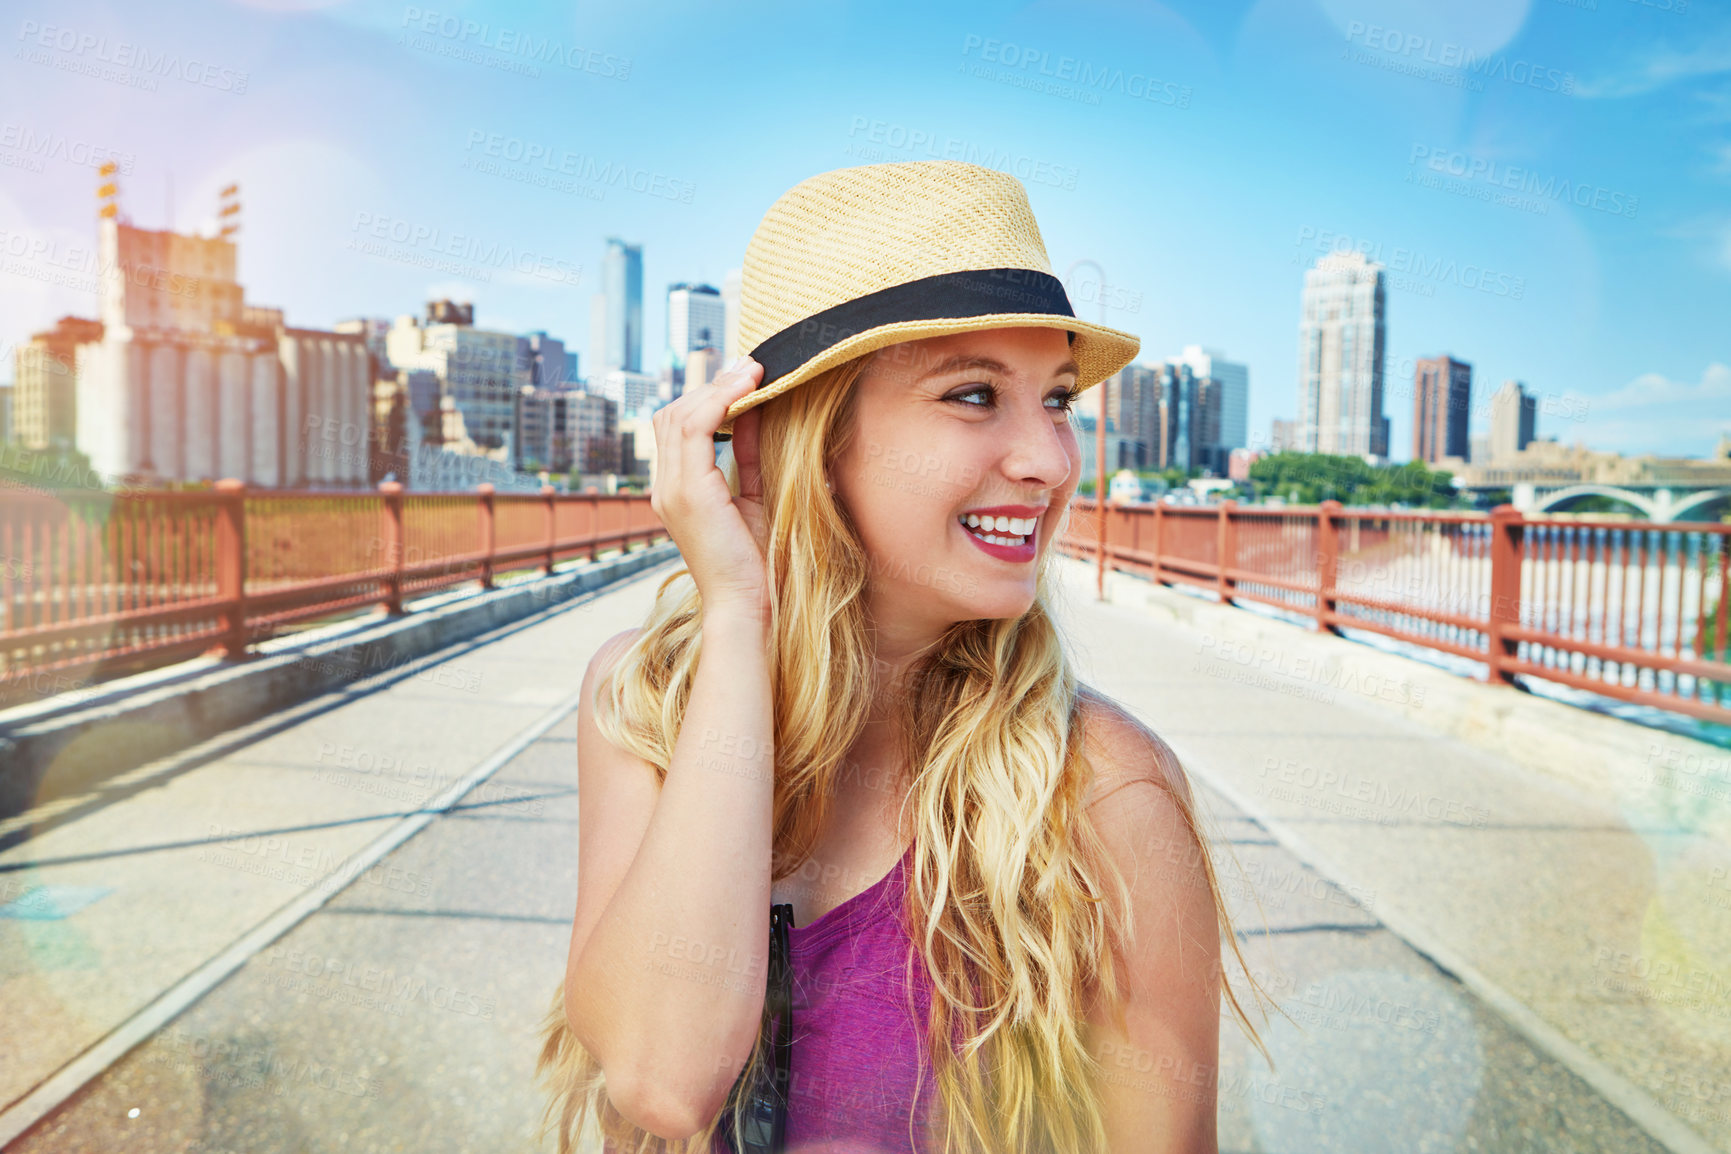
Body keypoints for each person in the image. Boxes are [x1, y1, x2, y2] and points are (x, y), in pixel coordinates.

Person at [537, 160, 1265, 1153]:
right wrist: (739, 617)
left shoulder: (1106, 794)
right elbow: (667, 1078)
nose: (1050, 461)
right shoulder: (646, 705)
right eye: (973, 394)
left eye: (1056, 398)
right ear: (810, 437)